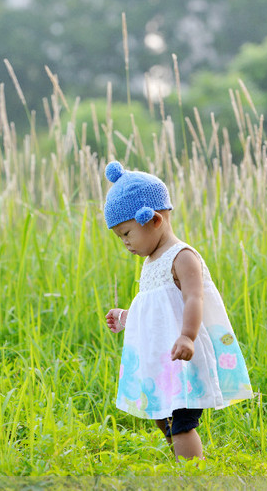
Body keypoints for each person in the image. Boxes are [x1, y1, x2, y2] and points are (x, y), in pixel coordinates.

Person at [102, 161, 253, 461]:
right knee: (162, 417)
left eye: (127, 233)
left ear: (154, 220)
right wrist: (127, 318)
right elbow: (156, 310)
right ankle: (181, 465)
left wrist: (187, 336)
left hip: (183, 358)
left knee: (181, 422)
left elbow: (193, 299)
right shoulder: (151, 263)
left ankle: (193, 472)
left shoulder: (182, 257)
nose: (125, 243)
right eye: (120, 237)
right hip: (162, 361)